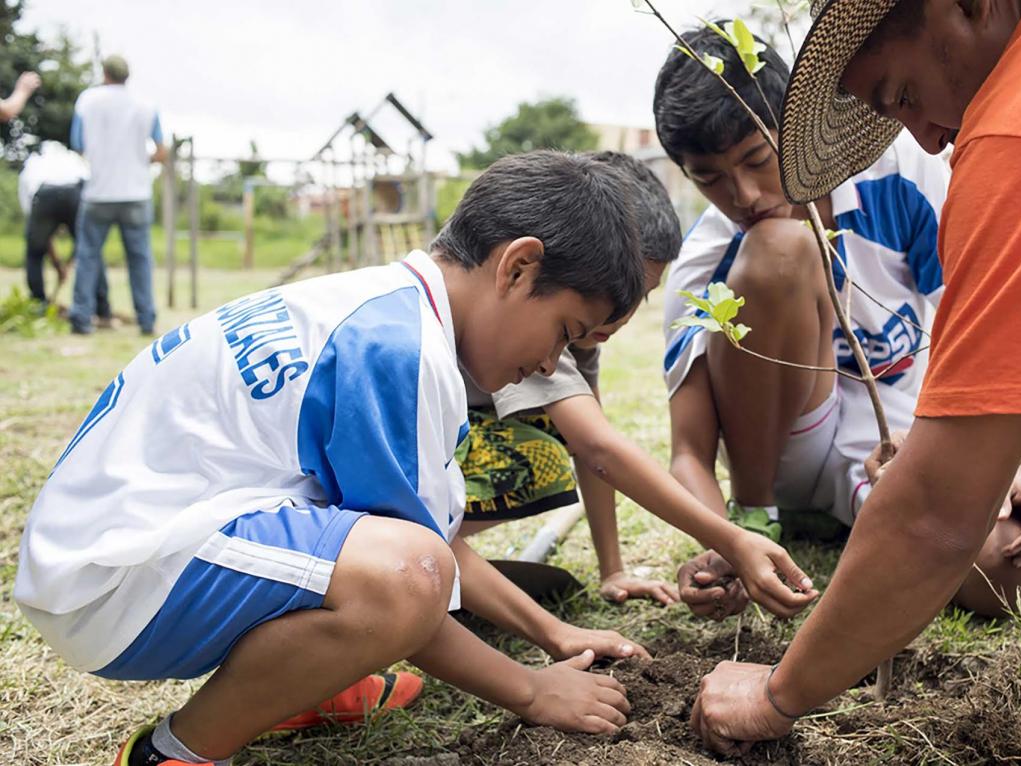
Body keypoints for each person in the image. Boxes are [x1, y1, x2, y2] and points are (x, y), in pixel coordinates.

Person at [17, 151, 660, 766]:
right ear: (518, 268)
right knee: (406, 576)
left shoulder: (390, 307)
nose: (550, 366)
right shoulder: (398, 351)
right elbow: (415, 576)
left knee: (396, 554)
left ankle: (305, 684)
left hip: (120, 548)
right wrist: (529, 688)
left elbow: (417, 540)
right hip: (114, 579)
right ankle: (173, 753)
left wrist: (554, 634)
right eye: (564, 333)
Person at [688, 0, 1021, 755]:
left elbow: (932, 519)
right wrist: (977, 450)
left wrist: (775, 695)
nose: (925, 135)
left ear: (973, 6)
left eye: (901, 94)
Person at [653, 24, 1021, 626]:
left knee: (1006, 572)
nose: (743, 194)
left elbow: (975, 335)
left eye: (757, 159)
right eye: (708, 178)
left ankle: (862, 509)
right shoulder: (704, 265)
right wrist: (720, 541)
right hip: (782, 451)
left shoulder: (903, 180)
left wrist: (1007, 469)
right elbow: (688, 451)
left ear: (794, 129)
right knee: (780, 249)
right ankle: (760, 513)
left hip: (891, 439)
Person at [459, 151, 813, 611]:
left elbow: (594, 445)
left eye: (639, 296)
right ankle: (449, 559)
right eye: (615, 294)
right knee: (542, 451)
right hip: (421, 472)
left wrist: (613, 570)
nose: (619, 316)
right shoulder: (536, 329)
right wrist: (732, 540)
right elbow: (599, 450)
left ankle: (455, 561)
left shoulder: (579, 334)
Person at [68, 55, 167, 336]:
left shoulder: (88, 101)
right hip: (136, 192)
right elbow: (161, 152)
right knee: (139, 259)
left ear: (105, 73)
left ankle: (81, 319)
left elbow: (77, 143)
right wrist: (140, 161)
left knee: (88, 256)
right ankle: (146, 320)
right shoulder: (146, 105)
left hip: (98, 191)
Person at [18, 140, 110, 318]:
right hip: (76, 191)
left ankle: (39, 305)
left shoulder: (32, 163)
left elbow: (39, 238)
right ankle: (102, 308)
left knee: (34, 254)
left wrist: (64, 264)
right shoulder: (73, 158)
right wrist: (59, 265)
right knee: (91, 251)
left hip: (44, 193)